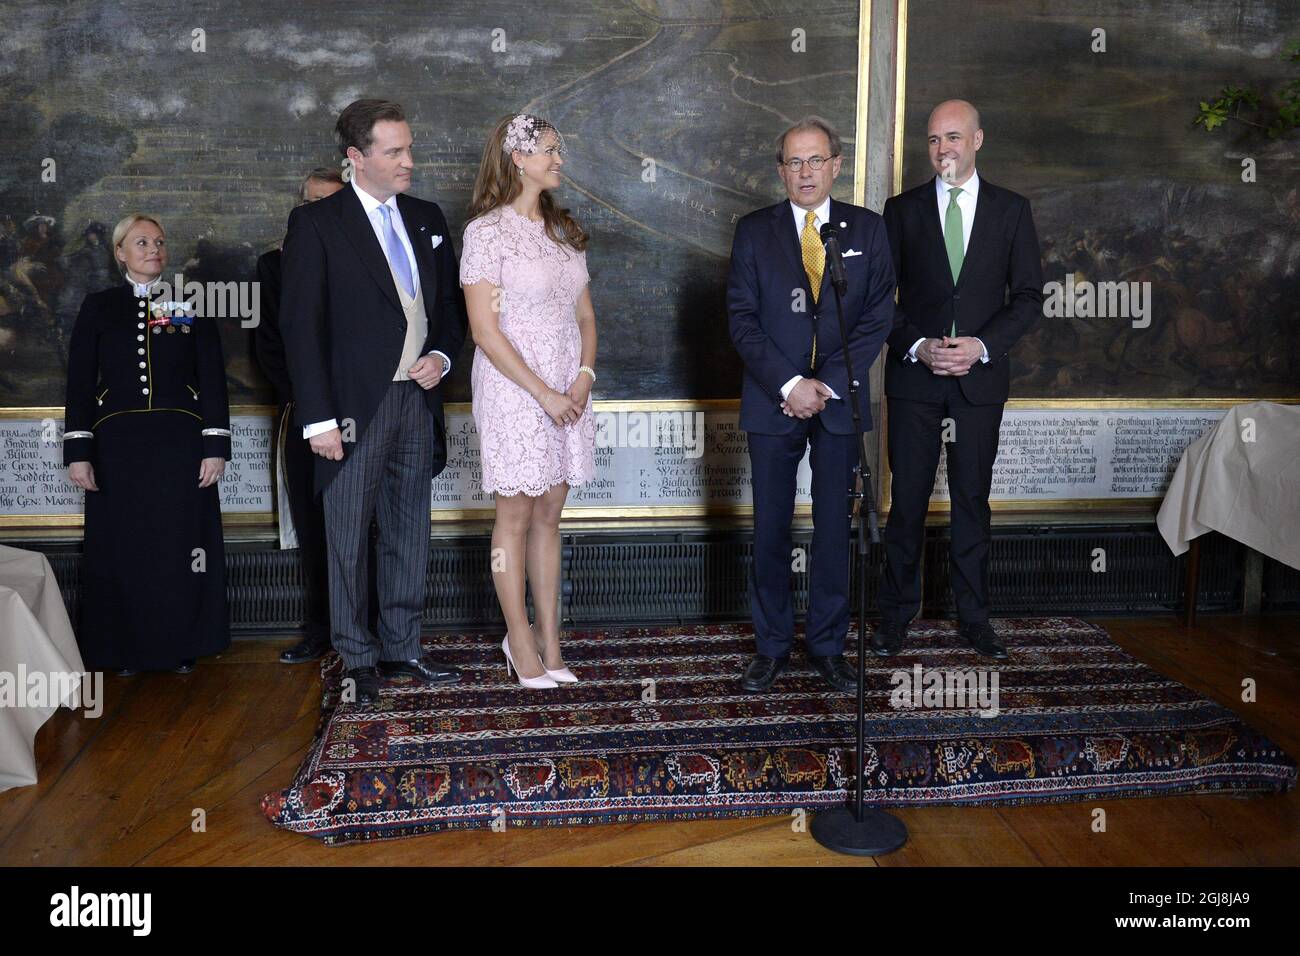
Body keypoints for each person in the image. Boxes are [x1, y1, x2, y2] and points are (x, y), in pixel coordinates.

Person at [279, 99, 468, 704]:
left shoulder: (427, 216)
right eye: (395, 151)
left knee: (410, 529)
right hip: (350, 409)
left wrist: (440, 356)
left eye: (409, 148)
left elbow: (449, 313)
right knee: (346, 535)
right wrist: (318, 420)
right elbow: (300, 328)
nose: (409, 161)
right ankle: (356, 657)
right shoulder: (317, 224)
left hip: (418, 398)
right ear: (356, 159)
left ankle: (402, 648)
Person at [727, 116, 894, 694]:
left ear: (836, 165)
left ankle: (827, 646)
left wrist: (822, 384)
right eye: (794, 162)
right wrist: (790, 384)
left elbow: (877, 316)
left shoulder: (868, 231)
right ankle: (770, 647)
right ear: (780, 170)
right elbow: (742, 322)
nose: (805, 171)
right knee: (771, 526)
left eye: (815, 160)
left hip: (839, 400)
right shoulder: (754, 232)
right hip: (774, 402)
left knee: (832, 530)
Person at [874, 99, 1043, 659]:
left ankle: (974, 616)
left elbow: (1027, 298)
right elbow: (880, 300)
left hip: (979, 380)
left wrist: (981, 346)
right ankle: (898, 614)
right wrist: (919, 347)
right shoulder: (899, 211)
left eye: (952, 137)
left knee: (973, 500)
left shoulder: (1011, 211)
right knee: (908, 504)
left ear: (977, 140)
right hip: (915, 379)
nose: (942, 148)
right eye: (932, 140)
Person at [460, 114, 596, 689]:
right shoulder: (485, 233)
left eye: (558, 150)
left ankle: (553, 645)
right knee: (514, 514)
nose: (558, 159)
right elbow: (484, 330)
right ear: (518, 159)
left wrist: (583, 379)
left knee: (549, 514)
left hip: (568, 388)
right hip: (515, 387)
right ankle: (518, 638)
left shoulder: (564, 231)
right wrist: (542, 393)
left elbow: (585, 314)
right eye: (548, 150)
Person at [63, 213, 232, 674]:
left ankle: (181, 646)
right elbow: (79, 383)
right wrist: (78, 452)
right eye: (141, 242)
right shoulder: (100, 306)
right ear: (120, 252)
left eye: (159, 241)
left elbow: (212, 380)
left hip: (181, 445)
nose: (153, 249)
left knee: (179, 547)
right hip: (116, 447)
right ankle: (124, 651)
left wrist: (214, 444)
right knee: (123, 547)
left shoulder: (187, 304)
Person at [255, 167, 344, 664]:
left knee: (363, 524)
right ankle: (320, 628)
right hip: (307, 416)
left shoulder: (361, 260)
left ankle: (369, 626)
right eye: (309, 201)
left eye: (327, 202)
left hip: (360, 413)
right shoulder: (274, 265)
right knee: (313, 525)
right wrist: (313, 406)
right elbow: (270, 343)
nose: (316, 211)